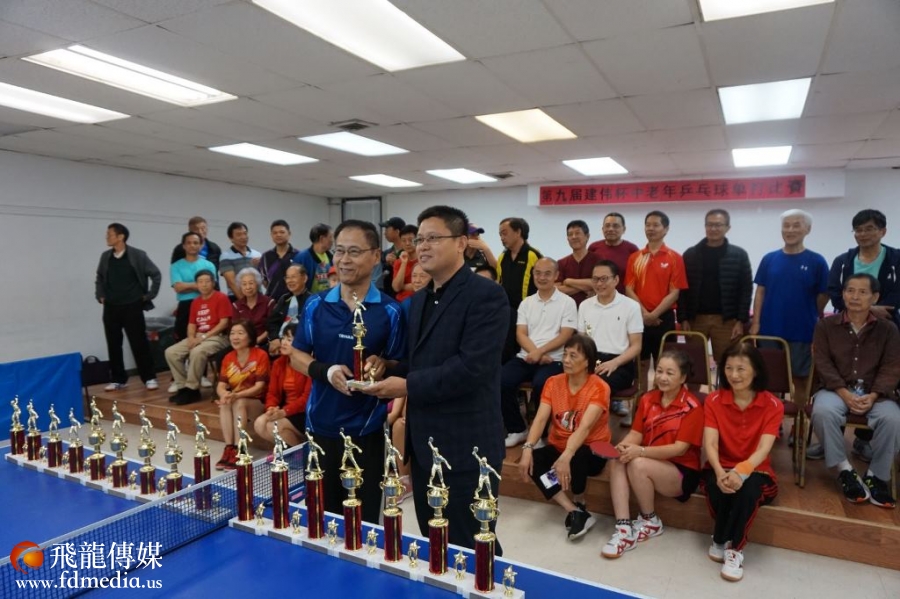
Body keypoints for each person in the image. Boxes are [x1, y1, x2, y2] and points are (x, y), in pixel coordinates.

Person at [362, 205, 510, 554]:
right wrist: (388, 366)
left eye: (433, 238)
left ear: (461, 243)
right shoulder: (419, 300)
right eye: (419, 240)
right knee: (436, 536)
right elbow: (419, 361)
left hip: (468, 444)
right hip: (426, 442)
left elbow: (471, 368)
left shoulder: (487, 296)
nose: (423, 246)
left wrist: (407, 386)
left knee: (473, 540)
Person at [289, 220, 405, 524]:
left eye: (354, 252)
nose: (344, 260)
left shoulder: (391, 311)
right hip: (320, 426)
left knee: (362, 523)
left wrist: (383, 364)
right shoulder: (315, 305)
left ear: (376, 256)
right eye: (339, 251)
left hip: (367, 430)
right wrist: (325, 371)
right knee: (321, 519)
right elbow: (296, 356)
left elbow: (398, 362)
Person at [601, 350, 703, 559]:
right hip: (649, 460)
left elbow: (680, 449)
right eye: (659, 371)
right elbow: (636, 434)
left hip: (681, 471)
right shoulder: (647, 399)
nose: (662, 377)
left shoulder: (692, 407)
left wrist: (639, 451)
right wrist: (623, 446)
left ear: (683, 377)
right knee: (618, 460)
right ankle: (624, 528)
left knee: (637, 463)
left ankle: (651, 521)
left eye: (670, 373)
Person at [810, 274, 900, 507]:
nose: (855, 297)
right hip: (836, 390)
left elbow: (892, 366)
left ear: (875, 297)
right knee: (822, 411)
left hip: (875, 393)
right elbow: (822, 363)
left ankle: (877, 476)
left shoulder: (888, 329)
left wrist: (875, 394)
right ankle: (844, 470)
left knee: (893, 418)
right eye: (850, 291)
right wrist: (843, 392)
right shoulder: (826, 325)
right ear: (843, 294)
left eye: (862, 292)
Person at [821, 209, 900, 461]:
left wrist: (874, 309)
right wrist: (867, 307)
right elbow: (835, 292)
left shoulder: (896, 259)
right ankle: (831, 440)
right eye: (858, 229)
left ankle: (864, 440)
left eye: (869, 229)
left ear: (883, 231)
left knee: (875, 377)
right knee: (842, 373)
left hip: (885, 327)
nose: (863, 234)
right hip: (846, 327)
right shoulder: (843, 261)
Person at [701, 342, 784, 582]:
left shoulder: (773, 405)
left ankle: (734, 548)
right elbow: (710, 444)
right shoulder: (714, 400)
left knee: (747, 491)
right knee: (717, 487)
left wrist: (741, 471)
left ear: (756, 371)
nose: (734, 375)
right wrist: (720, 472)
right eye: (728, 368)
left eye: (741, 369)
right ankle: (720, 538)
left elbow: (763, 449)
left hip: (757, 470)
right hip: (721, 465)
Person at [518, 334, 611, 540]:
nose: (566, 360)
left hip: (593, 449)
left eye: (573, 356)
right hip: (560, 445)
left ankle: (580, 500)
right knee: (535, 461)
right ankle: (573, 510)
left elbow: (585, 428)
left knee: (578, 454)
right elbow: (541, 419)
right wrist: (528, 448)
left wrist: (566, 455)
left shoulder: (599, 387)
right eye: (565, 355)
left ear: (587, 362)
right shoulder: (553, 382)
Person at [750, 209, 829, 403]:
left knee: (800, 379)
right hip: (770, 329)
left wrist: (809, 312)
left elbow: (824, 294)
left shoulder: (817, 261)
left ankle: (799, 417)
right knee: (770, 379)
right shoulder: (769, 259)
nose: (790, 230)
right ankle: (773, 418)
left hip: (802, 331)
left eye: (796, 225)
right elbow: (760, 291)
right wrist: (756, 323)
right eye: (786, 226)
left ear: (807, 229)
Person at [500, 257, 577, 447]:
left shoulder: (567, 303)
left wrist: (540, 353)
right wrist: (536, 354)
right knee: (501, 380)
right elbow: (520, 334)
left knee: (543, 384)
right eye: (538, 273)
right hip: (526, 356)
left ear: (556, 275)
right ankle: (518, 429)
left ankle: (540, 435)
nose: (542, 277)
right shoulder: (526, 303)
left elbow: (566, 335)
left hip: (555, 359)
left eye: (547, 273)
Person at [678, 209, 753, 363]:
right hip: (695, 320)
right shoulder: (690, 254)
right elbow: (682, 289)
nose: (713, 229)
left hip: (726, 321)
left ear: (727, 228)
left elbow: (746, 290)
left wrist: (741, 320)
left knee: (728, 363)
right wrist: (683, 318)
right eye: (709, 225)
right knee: (693, 364)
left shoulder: (739, 255)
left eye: (718, 225)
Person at [625, 211, 688, 391]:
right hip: (638, 318)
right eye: (648, 225)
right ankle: (642, 399)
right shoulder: (635, 257)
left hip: (664, 318)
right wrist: (645, 314)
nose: (650, 228)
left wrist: (654, 315)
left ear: (665, 229)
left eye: (656, 225)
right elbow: (629, 288)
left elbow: (675, 292)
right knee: (641, 364)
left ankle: (660, 400)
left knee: (665, 365)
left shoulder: (674, 258)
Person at [95, 223, 161, 391]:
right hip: (111, 306)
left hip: (132, 305)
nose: (107, 237)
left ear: (121, 237)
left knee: (139, 343)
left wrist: (149, 295)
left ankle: (149, 377)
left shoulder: (138, 255)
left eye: (110, 234)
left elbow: (155, 274)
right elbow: (100, 277)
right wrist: (100, 295)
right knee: (113, 343)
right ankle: (118, 379)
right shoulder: (105, 257)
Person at [578, 260, 643, 421]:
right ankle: (572, 425)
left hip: (620, 363)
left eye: (604, 279)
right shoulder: (585, 305)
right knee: (563, 381)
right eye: (595, 279)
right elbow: (582, 341)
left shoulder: (631, 306)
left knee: (595, 386)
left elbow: (636, 346)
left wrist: (614, 363)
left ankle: (590, 430)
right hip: (591, 359)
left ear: (616, 280)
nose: (599, 284)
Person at [164, 270, 231, 405]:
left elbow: (224, 323)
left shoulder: (221, 298)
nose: (204, 285)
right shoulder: (196, 301)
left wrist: (203, 337)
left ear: (213, 283)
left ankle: (192, 389)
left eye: (207, 281)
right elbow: (192, 324)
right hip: (198, 336)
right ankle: (182, 388)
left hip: (217, 337)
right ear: (197, 284)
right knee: (171, 352)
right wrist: (191, 338)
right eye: (200, 282)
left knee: (197, 351)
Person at [214, 320, 269, 470]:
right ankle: (229, 448)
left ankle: (241, 449)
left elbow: (259, 387)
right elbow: (220, 385)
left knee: (239, 402)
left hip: (258, 403)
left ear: (250, 337)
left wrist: (236, 396)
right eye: (232, 333)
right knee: (225, 403)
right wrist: (224, 394)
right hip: (235, 399)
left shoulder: (260, 355)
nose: (235, 337)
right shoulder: (228, 357)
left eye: (240, 333)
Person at [255, 322, 310, 449]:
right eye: (283, 338)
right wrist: (271, 408)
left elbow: (306, 399)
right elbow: (272, 393)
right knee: (259, 423)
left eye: (289, 340)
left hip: (304, 412)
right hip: (284, 410)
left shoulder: (308, 365)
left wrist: (284, 412)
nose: (283, 343)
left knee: (272, 426)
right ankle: (292, 451)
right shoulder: (279, 363)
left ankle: (299, 453)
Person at [497, 217, 543, 361]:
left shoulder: (532, 255)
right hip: (507, 312)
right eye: (500, 234)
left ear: (518, 232)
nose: (502, 237)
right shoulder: (502, 257)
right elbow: (499, 283)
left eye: (505, 233)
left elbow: (542, 283)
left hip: (529, 313)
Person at [170, 231, 217, 343]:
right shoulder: (176, 266)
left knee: (205, 339)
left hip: (206, 305)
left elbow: (211, 287)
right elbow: (178, 287)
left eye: (195, 243)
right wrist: (202, 285)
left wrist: (186, 285)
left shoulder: (209, 265)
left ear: (201, 245)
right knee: (183, 339)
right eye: (189, 243)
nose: (192, 245)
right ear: (184, 246)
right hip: (185, 306)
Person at [588, 213, 639, 295]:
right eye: (607, 226)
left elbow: (637, 279)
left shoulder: (632, 250)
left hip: (624, 298)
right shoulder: (593, 248)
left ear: (624, 229)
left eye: (615, 226)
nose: (611, 229)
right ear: (602, 229)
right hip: (598, 297)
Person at [266, 264, 311, 355]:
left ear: (304, 278)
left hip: (300, 346)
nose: (290, 281)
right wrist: (274, 338)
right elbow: (272, 322)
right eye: (287, 277)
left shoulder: (312, 301)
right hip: (280, 341)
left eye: (293, 277)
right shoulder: (284, 299)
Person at [556, 220, 599, 306]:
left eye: (577, 233)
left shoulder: (598, 260)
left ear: (587, 236)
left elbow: (600, 284)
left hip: (594, 308)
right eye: (570, 234)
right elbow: (556, 290)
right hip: (566, 309)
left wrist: (568, 281)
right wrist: (587, 287)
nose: (574, 237)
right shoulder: (561, 263)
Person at [230, 267, 274, 347]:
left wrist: (256, 341)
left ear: (257, 284)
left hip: (264, 342)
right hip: (243, 343)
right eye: (244, 284)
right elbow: (236, 329)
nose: (248, 287)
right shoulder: (236, 305)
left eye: (251, 283)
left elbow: (272, 328)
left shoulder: (269, 302)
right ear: (240, 286)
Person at [219, 221, 262, 301]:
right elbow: (232, 283)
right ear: (231, 238)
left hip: (257, 296)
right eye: (239, 235)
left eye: (245, 233)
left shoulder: (257, 254)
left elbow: (262, 277)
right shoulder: (225, 257)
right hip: (236, 298)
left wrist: (262, 264)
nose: (243, 237)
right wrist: (245, 302)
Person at [259, 219, 299, 301]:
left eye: (282, 232)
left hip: (294, 300)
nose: (278, 235)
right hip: (272, 301)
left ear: (289, 233)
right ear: (271, 235)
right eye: (275, 233)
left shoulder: (298, 255)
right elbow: (264, 280)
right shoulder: (266, 256)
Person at [292, 223, 334, 293]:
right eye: (330, 237)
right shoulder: (301, 258)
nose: (332, 240)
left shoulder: (331, 257)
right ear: (322, 238)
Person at [391, 224, 419, 301]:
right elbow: (396, 288)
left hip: (418, 298)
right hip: (401, 300)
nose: (407, 243)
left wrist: (402, 286)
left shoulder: (424, 260)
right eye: (403, 241)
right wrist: (403, 263)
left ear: (418, 240)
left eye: (410, 240)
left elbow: (422, 286)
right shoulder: (398, 262)